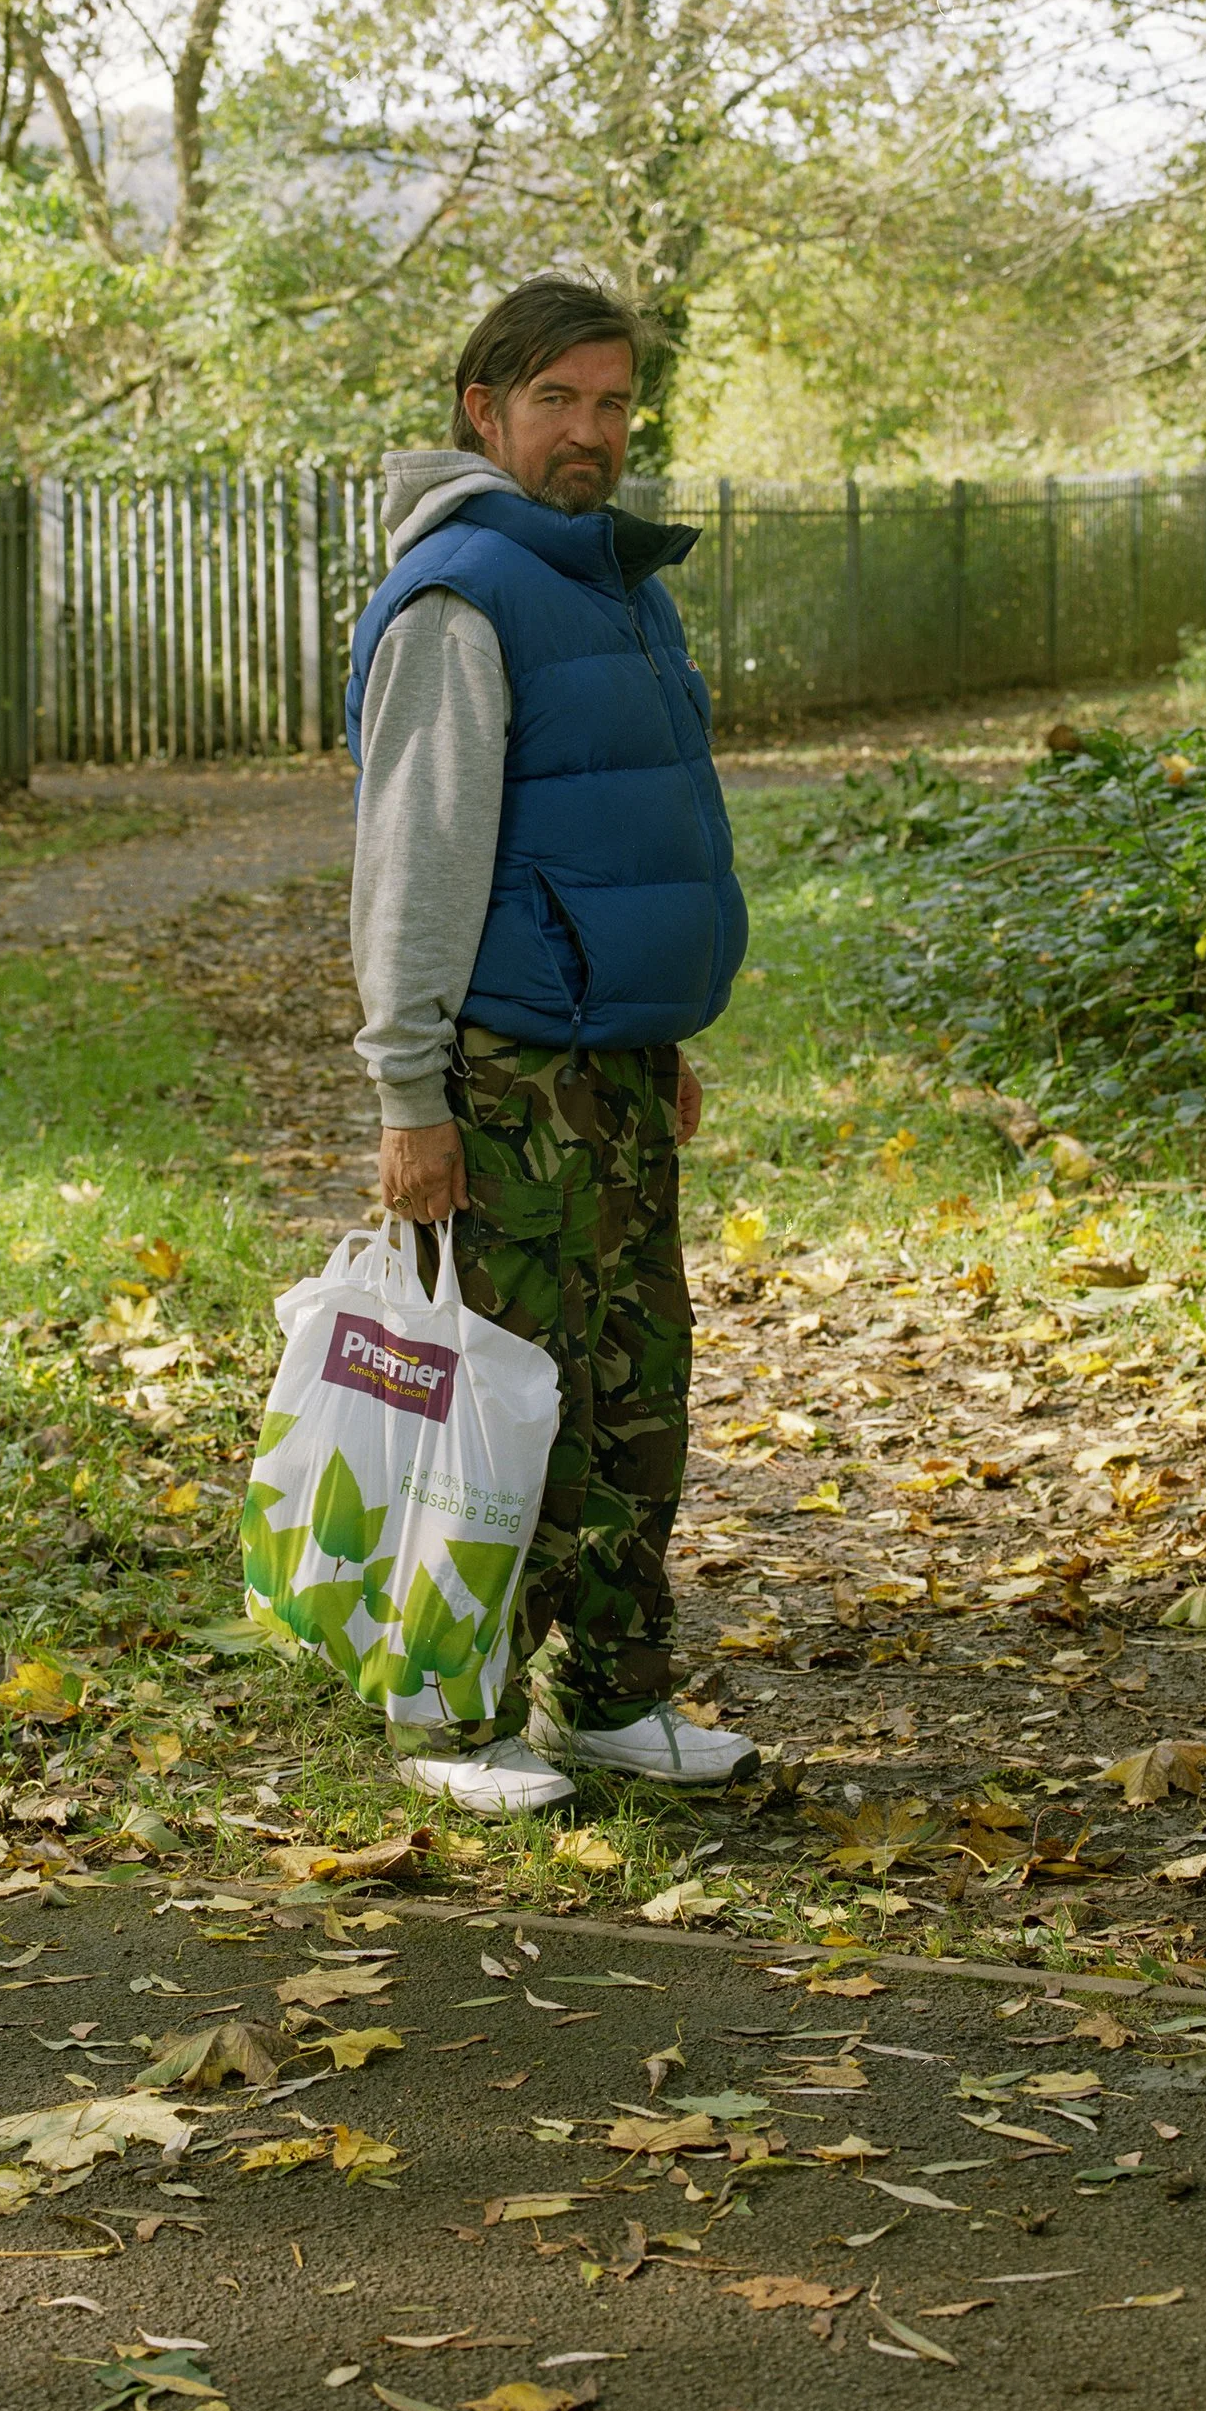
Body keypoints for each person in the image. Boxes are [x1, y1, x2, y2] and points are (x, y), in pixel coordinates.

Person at [344, 272, 756, 1816]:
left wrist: (654, 1029)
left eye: (612, 403)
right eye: (556, 403)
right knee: (497, 1386)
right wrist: (410, 1089)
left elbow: (623, 835)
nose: (590, 433)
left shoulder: (612, 583)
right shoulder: (464, 592)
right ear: (484, 411)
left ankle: (613, 1698)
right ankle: (453, 1709)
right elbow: (421, 858)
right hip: (503, 1074)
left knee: (637, 1384)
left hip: (614, 1067)